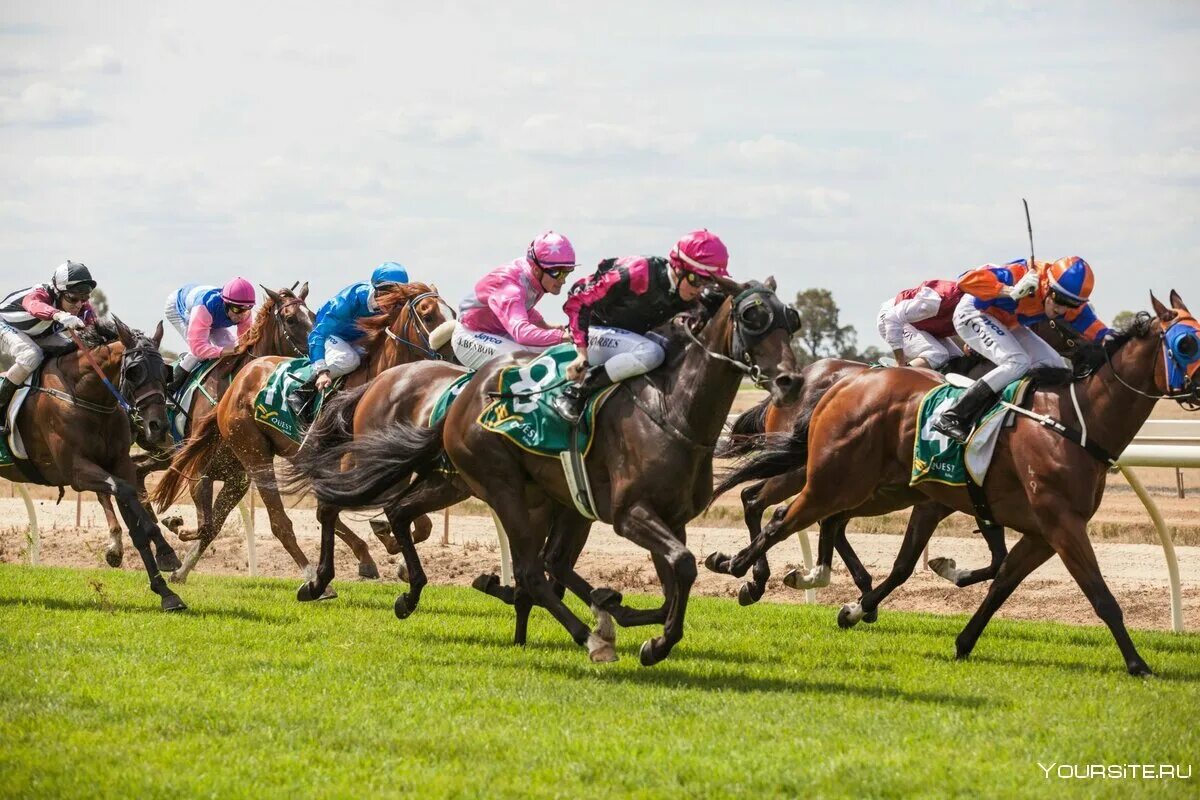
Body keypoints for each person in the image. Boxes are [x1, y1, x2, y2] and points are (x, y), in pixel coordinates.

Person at [552, 230, 731, 423]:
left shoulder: (694, 292)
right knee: (652, 353)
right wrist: (581, 352)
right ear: (678, 268)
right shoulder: (637, 271)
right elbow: (577, 300)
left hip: (630, 339)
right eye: (696, 280)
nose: (700, 290)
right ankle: (576, 392)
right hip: (594, 334)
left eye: (709, 282)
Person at [932, 256, 1111, 442]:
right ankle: (953, 415)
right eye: (1059, 299)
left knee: (1057, 365)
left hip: (1007, 322)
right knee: (1017, 361)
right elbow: (965, 280)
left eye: (1072, 304)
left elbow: (1100, 332)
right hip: (973, 312)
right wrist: (1009, 290)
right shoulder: (1020, 274)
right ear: (1048, 285)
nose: (1062, 309)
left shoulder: (1066, 302)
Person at [292, 262, 410, 416]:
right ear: (376, 290)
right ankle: (303, 391)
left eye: (397, 296)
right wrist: (322, 371)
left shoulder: (397, 304)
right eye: (386, 294)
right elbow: (317, 334)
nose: (392, 302)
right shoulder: (348, 301)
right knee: (349, 359)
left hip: (359, 338)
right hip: (331, 334)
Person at [451, 231, 577, 369]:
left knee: (561, 351)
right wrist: (563, 336)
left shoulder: (532, 275)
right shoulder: (511, 287)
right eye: (556, 272)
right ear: (536, 270)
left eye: (567, 271)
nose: (563, 280)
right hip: (471, 335)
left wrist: (548, 327)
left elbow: (522, 309)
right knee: (525, 363)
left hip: (499, 332)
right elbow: (521, 333)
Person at [0, 261, 99, 434]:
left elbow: (95, 332)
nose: (78, 305)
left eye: (84, 299)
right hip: (6, 325)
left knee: (72, 350)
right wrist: (58, 314)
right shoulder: (41, 293)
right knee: (31, 355)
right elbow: (33, 305)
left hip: (38, 333)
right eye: (73, 298)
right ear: (57, 291)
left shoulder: (83, 307)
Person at [163, 278, 257, 395]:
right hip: (178, 308)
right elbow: (198, 349)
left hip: (211, 317)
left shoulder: (243, 311)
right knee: (197, 355)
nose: (242, 315)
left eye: (247, 309)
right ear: (225, 303)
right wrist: (223, 351)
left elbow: (244, 342)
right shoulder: (205, 307)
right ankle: (168, 390)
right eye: (237, 309)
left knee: (231, 345)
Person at [876, 279, 964, 370]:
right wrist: (900, 362)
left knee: (956, 358)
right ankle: (899, 376)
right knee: (936, 354)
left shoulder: (974, 308)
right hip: (892, 318)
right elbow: (892, 318)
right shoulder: (936, 300)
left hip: (918, 324)